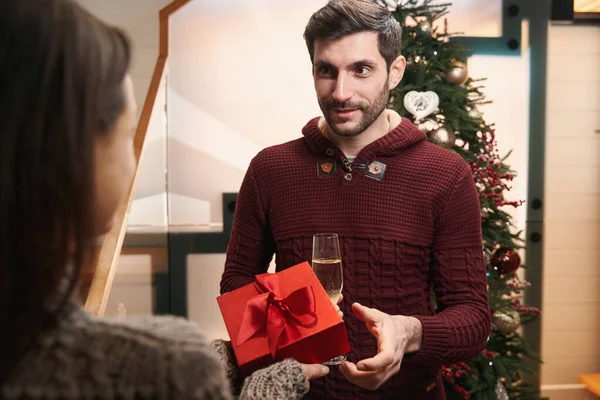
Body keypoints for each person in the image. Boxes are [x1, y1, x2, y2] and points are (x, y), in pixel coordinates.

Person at [0, 1, 331, 399]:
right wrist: (262, 384)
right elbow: (237, 280)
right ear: (71, 156)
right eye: (128, 132)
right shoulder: (165, 363)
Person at [220, 0, 491, 398]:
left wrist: (409, 332)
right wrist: (285, 348)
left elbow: (473, 318)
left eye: (361, 70)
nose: (340, 92)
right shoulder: (270, 168)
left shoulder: (445, 174)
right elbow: (236, 286)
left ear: (394, 71)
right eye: (325, 71)